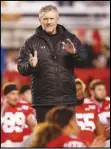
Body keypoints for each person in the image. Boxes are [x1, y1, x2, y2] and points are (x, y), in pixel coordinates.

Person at [17, 5, 87, 122]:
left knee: (66, 137)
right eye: (45, 19)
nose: (48, 22)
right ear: (40, 20)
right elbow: (21, 68)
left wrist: (74, 53)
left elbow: (84, 62)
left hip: (66, 100)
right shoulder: (30, 42)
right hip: (43, 102)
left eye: (51, 18)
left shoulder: (71, 38)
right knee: (46, 138)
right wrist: (31, 66)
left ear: (57, 19)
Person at [28, 106, 105, 147]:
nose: (79, 127)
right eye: (77, 122)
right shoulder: (71, 141)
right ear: (71, 124)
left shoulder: (39, 139)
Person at [1, 83, 37, 147]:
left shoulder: (25, 106)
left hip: (20, 144)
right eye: (13, 94)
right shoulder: (2, 107)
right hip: (3, 144)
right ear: (6, 95)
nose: (16, 97)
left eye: (17, 94)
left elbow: (33, 126)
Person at [75, 78, 105, 145]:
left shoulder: (93, 106)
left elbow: (101, 133)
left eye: (80, 89)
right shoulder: (65, 109)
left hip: (92, 143)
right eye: (76, 90)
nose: (79, 92)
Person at [89, 79, 110, 147]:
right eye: (99, 89)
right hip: (94, 139)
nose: (103, 92)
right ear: (92, 92)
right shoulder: (86, 104)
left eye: (104, 89)